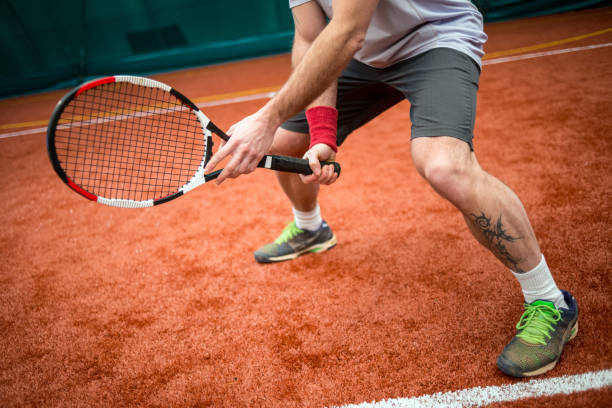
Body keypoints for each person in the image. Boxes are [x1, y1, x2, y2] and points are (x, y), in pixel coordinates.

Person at [204, 0, 578, 378]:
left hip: (433, 39)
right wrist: (320, 134)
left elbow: (348, 31)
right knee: (283, 144)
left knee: (444, 166)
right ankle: (310, 228)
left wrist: (268, 116)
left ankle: (550, 301)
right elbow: (311, 36)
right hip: (364, 57)